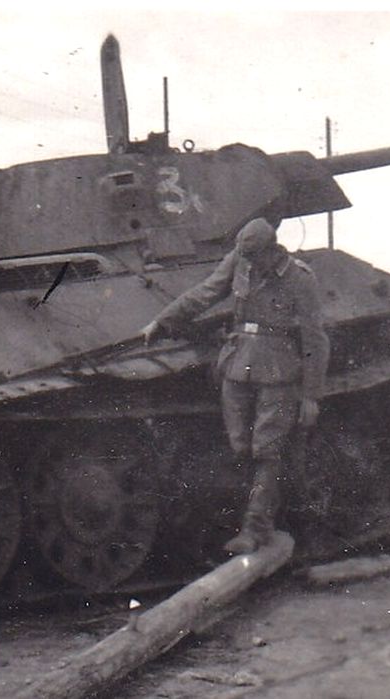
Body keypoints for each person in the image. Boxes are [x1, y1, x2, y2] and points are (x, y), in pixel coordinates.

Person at [140, 217, 329, 554]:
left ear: (272, 250)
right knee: (239, 445)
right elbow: (205, 293)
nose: (249, 263)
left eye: (254, 256)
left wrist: (311, 395)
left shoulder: (300, 278)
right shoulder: (238, 260)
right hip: (238, 364)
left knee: (267, 449)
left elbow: (315, 338)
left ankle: (256, 529)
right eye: (245, 256)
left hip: (278, 369)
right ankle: (242, 520)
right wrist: (162, 320)